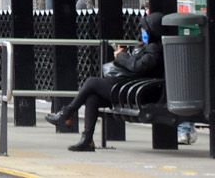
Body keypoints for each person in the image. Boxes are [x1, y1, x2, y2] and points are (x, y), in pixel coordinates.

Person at [46, 12, 165, 152]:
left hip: (137, 93)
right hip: (130, 89)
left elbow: (137, 67)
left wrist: (121, 56)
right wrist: (124, 55)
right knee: (93, 98)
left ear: (153, 30)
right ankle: (87, 140)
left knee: (91, 82)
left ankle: (66, 114)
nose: (142, 32)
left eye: (145, 29)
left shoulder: (155, 49)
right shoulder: (149, 47)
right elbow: (136, 64)